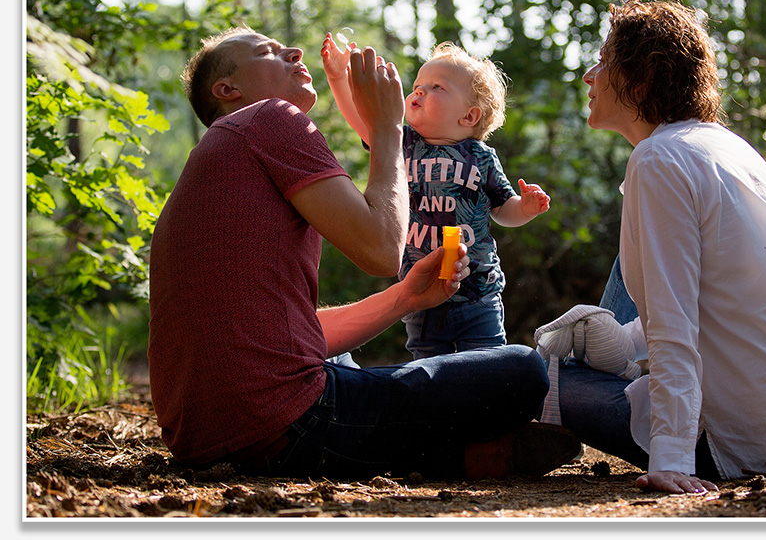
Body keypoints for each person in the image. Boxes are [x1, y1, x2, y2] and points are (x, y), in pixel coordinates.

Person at [147, 26, 579, 479]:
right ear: (228, 90)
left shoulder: (226, 153)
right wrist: (387, 126)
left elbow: (291, 336)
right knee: (524, 370)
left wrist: (406, 298)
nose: (293, 50)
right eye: (268, 52)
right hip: (285, 423)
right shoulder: (269, 118)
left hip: (207, 436)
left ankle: (467, 457)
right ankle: (471, 453)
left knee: (339, 360)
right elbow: (381, 251)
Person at [551, 0, 766, 494]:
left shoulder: (659, 160)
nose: (590, 75)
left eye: (604, 62)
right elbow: (721, 302)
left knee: (531, 376)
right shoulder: (728, 147)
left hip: (741, 438)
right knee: (618, 285)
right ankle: (598, 364)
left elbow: (677, 325)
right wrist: (620, 342)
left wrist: (672, 457)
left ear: (644, 76)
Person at [321, 35, 550, 359]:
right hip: (421, 288)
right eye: (418, 84)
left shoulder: (480, 157)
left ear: (469, 116)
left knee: (486, 367)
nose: (419, 91)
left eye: (436, 87)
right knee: (428, 368)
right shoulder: (402, 142)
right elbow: (362, 121)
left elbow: (503, 210)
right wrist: (337, 77)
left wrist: (525, 208)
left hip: (478, 291)